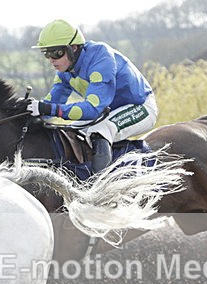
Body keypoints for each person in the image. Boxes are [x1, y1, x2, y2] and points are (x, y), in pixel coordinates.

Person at [23, 19, 158, 172]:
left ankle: (102, 187)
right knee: (70, 132)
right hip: (107, 111)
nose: (51, 59)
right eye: (46, 53)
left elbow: (93, 108)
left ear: (73, 48)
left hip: (140, 107)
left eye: (56, 52)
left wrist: (49, 109)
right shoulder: (65, 71)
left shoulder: (101, 58)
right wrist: (26, 111)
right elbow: (49, 105)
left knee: (99, 131)